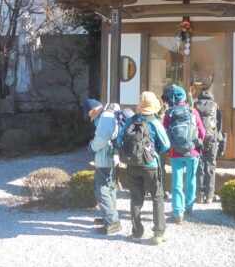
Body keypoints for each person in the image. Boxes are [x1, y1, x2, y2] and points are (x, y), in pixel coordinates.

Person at [115, 91, 170, 244]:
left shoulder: (130, 120)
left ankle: (136, 233)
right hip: (151, 165)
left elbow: (119, 140)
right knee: (157, 198)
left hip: (132, 165)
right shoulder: (154, 122)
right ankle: (159, 233)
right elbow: (166, 145)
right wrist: (154, 151)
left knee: (135, 199)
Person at [163, 86, 205, 223]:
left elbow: (164, 131)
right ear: (184, 97)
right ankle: (188, 206)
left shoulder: (169, 113)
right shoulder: (193, 111)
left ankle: (178, 212)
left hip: (175, 152)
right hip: (193, 152)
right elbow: (202, 132)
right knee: (191, 179)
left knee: (177, 183)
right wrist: (196, 143)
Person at [83, 99, 126, 235]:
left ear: (93, 109)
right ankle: (110, 217)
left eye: (90, 114)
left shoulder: (106, 116)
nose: (91, 118)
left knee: (102, 190)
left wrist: (92, 146)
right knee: (109, 188)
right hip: (112, 157)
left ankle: (112, 223)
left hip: (106, 158)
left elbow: (101, 139)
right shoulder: (111, 113)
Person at [194, 90, 222, 204]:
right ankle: (209, 196)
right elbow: (219, 123)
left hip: (198, 138)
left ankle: (199, 196)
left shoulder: (195, 105)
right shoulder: (215, 106)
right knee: (210, 166)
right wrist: (218, 137)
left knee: (199, 166)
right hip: (211, 138)